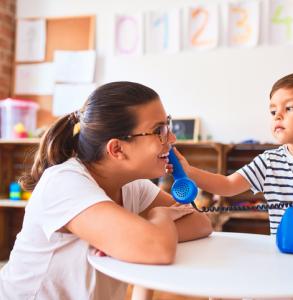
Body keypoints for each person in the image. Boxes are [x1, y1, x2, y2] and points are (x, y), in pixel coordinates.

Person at [0, 81, 212, 300]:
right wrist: (158, 216)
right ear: (117, 149)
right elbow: (158, 249)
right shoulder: (64, 182)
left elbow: (199, 223)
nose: (172, 138)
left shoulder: (131, 185)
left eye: (167, 126)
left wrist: (145, 232)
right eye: (159, 131)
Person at [172, 71, 293, 235]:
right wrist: (188, 171)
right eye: (273, 112)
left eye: (289, 108)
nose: (278, 116)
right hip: (284, 252)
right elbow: (228, 185)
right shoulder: (269, 162)